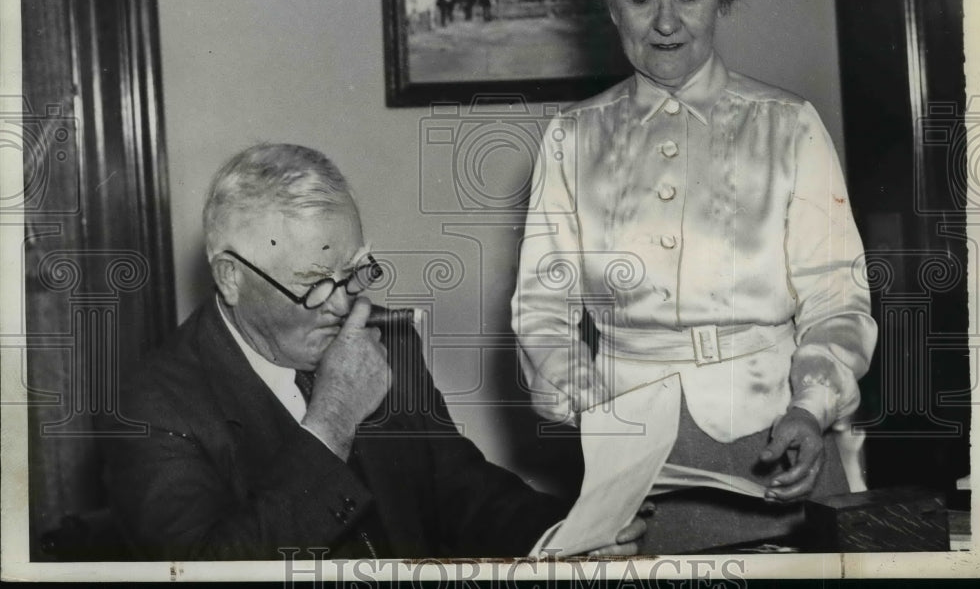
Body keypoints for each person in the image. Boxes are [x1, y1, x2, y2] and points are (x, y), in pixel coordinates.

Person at [512, 0, 878, 553]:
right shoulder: (572, 138)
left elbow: (838, 298)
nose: (667, 23)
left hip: (783, 441)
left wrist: (811, 407)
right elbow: (543, 309)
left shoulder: (788, 126)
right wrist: (599, 413)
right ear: (609, 4)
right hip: (638, 465)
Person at [102, 143, 645, 560]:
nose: (343, 306)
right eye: (314, 282)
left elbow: (460, 491)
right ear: (230, 279)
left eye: (354, 272)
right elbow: (212, 572)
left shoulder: (387, 342)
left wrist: (568, 537)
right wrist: (333, 418)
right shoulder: (150, 407)